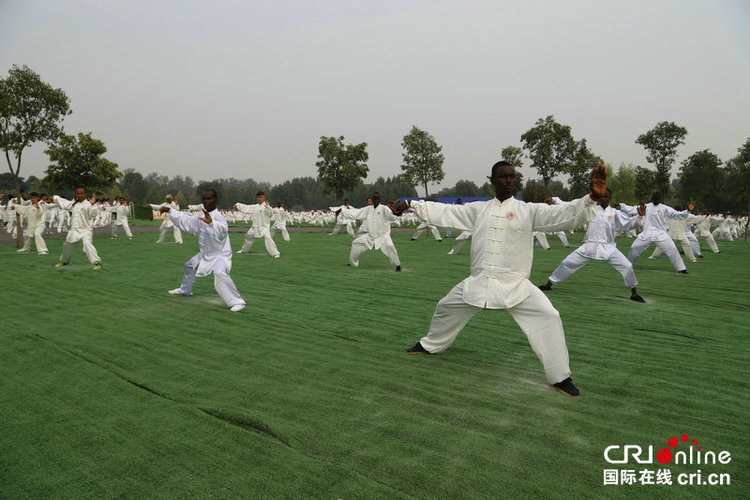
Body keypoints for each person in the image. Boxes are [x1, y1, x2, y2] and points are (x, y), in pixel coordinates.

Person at [395, 161, 608, 397]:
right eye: (503, 176)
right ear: (492, 180)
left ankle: (560, 377)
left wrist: (591, 198)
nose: (508, 180)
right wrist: (411, 204)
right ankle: (430, 345)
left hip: (515, 286)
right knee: (446, 306)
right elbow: (446, 212)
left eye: (512, 177)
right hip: (478, 282)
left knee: (549, 316)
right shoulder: (478, 210)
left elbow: (561, 214)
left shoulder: (528, 211)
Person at [538, 189, 646, 303]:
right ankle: (548, 284)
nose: (604, 198)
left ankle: (634, 294)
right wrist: (555, 200)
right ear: (599, 198)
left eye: (606, 196)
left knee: (627, 266)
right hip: (589, 246)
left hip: (608, 248)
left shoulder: (615, 213)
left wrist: (639, 216)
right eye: (602, 196)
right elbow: (572, 206)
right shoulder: (591, 209)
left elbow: (631, 223)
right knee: (567, 263)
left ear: (610, 198)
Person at [160, 189, 246, 312]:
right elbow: (186, 221)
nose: (206, 201)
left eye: (209, 199)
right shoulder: (200, 216)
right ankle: (185, 290)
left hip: (221, 255)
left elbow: (222, 232)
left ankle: (237, 302)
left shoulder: (219, 217)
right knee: (189, 266)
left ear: (216, 200)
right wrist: (170, 210)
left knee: (219, 273)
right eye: (204, 199)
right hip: (205, 255)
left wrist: (211, 223)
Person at [626, 192, 695, 273]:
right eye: (655, 199)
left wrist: (687, 211)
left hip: (661, 233)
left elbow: (677, 215)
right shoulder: (646, 206)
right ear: (652, 199)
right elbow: (631, 209)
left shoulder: (664, 208)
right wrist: (621, 206)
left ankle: (681, 269)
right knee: (634, 247)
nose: (657, 200)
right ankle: (627, 265)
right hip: (647, 232)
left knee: (672, 249)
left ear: (661, 200)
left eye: (658, 199)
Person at [339, 192, 402, 271]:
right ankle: (353, 263)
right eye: (374, 198)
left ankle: (398, 265)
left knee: (390, 246)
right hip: (370, 236)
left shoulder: (384, 208)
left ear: (379, 199)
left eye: (377, 198)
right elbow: (356, 213)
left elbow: (391, 216)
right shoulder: (368, 209)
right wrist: (342, 211)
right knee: (355, 243)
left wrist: (394, 213)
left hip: (383, 235)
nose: (376, 200)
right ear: (372, 199)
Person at [52, 187, 103, 270]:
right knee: (67, 246)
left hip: (85, 230)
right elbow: (64, 203)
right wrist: (55, 198)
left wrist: (93, 204)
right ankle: (65, 261)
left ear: (85, 194)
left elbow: (93, 215)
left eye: (81, 193)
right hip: (74, 230)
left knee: (87, 244)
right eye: (77, 193)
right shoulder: (73, 204)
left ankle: (97, 262)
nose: (79, 195)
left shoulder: (88, 204)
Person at [235, 191, 280, 258]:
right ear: (257, 198)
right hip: (255, 227)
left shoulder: (267, 206)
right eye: (258, 197)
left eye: (261, 197)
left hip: (264, 227)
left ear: (264, 197)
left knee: (268, 238)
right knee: (248, 237)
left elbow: (270, 214)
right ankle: (244, 250)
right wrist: (238, 205)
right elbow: (247, 208)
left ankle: (275, 253)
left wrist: (267, 207)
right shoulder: (255, 206)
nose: (260, 199)